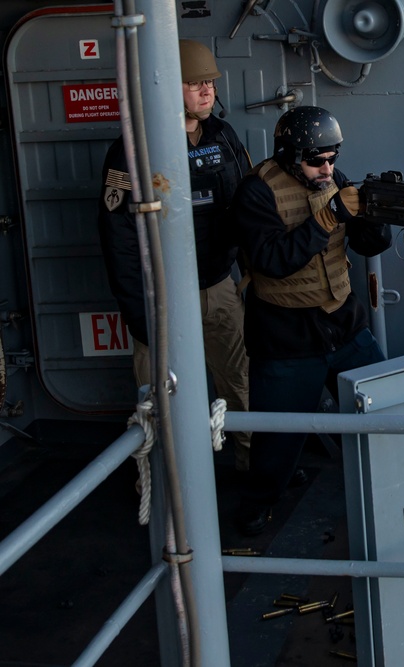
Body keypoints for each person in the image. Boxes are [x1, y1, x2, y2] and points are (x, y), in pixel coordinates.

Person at [231, 105, 392, 536]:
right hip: (286, 335)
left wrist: (373, 216)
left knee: (384, 405)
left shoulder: (333, 179)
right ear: (289, 155)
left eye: (333, 158)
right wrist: (329, 216)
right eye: (317, 160)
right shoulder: (256, 192)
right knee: (277, 442)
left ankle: (395, 487)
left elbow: (367, 245)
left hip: (343, 322)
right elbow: (270, 261)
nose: (327, 168)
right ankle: (255, 510)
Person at [97, 39, 252, 469]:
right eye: (193, 83)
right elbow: (120, 240)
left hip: (219, 286)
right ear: (169, 89)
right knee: (160, 400)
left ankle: (251, 463)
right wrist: (138, 316)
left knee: (238, 383)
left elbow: (244, 206)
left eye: (209, 83)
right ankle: (170, 486)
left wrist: (248, 274)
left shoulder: (222, 135)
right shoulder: (133, 150)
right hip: (160, 299)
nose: (206, 92)